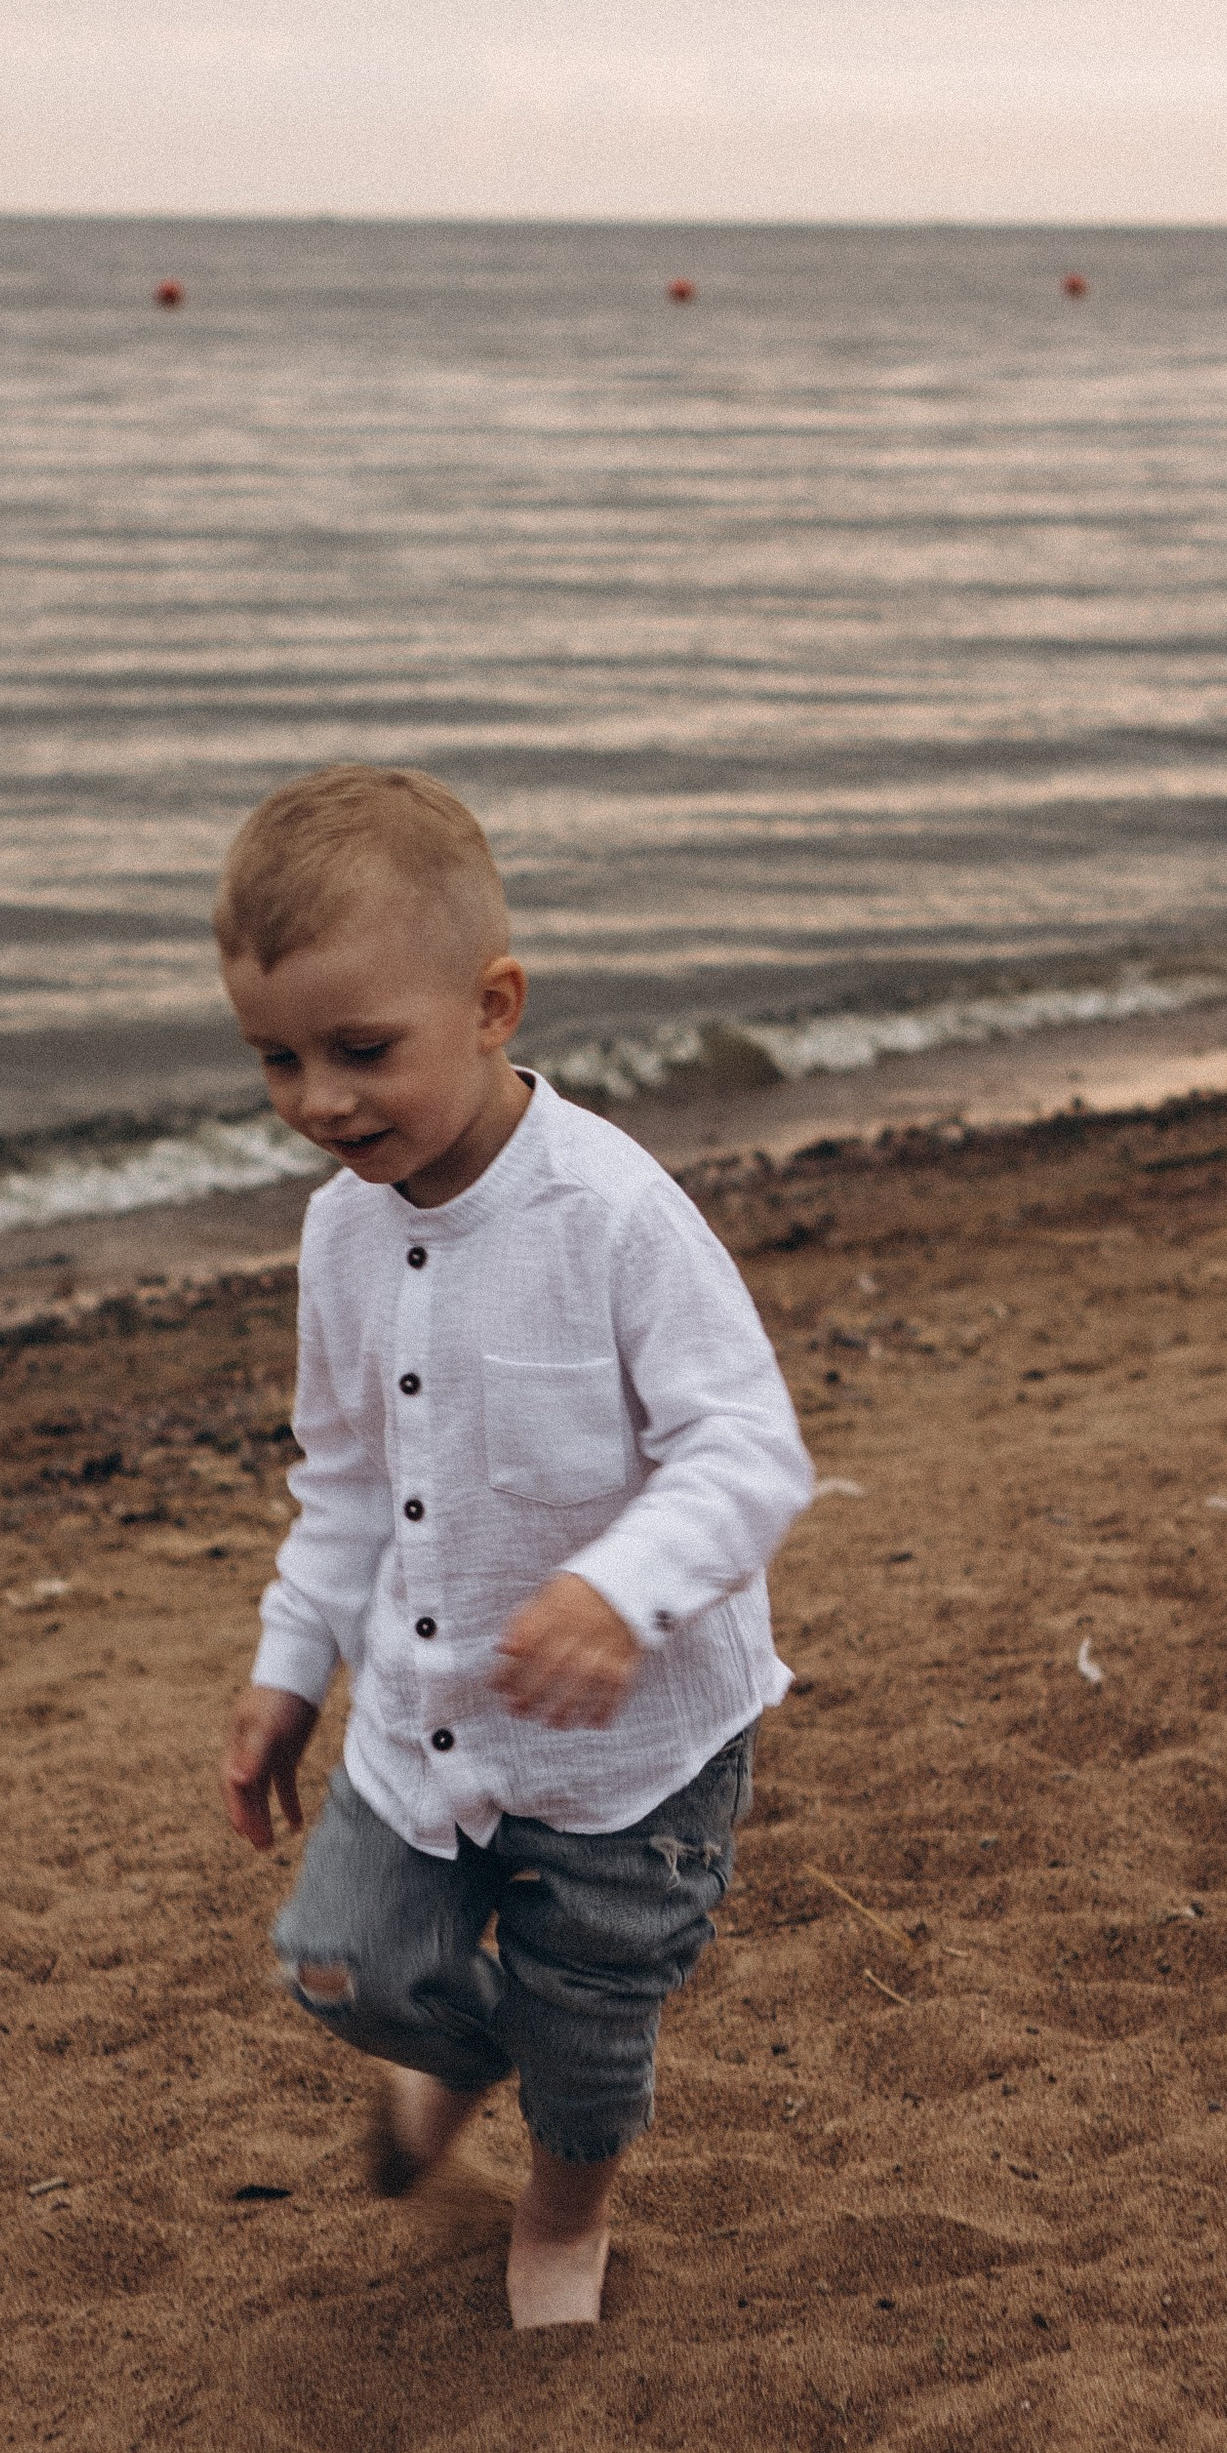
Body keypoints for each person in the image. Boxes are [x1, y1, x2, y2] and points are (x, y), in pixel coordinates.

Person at [214, 766, 815, 2327]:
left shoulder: (610, 1214)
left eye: (362, 1051)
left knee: (591, 2018)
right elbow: (340, 1477)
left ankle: (560, 2217)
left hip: (636, 1754)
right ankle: (457, 2058)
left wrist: (619, 1587)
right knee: (339, 1960)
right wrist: (290, 1667)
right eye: (276, 1058)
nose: (318, 1100)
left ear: (492, 1006)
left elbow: (749, 1449)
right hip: (422, 1721)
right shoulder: (339, 1228)